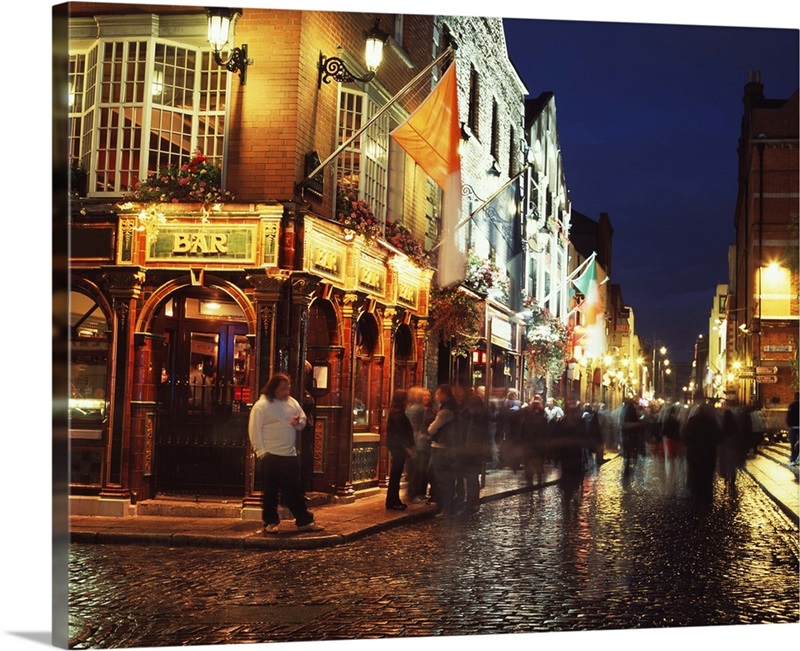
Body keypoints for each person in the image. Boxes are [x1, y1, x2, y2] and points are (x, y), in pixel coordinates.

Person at [248, 373, 324, 534]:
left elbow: (303, 420)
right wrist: (261, 452)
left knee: (294, 490)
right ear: (274, 388)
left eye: (288, 387)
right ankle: (270, 521)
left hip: (289, 454)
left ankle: (304, 520)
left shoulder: (292, 403)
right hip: (271, 454)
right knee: (270, 491)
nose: (286, 391)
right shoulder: (262, 406)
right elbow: (254, 430)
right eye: (283, 388)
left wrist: (298, 423)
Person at [427, 384, 460, 518]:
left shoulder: (446, 411)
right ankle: (447, 505)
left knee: (442, 478)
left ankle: (446, 507)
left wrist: (430, 427)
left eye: (438, 394)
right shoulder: (454, 408)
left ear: (444, 395)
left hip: (442, 448)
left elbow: (432, 429)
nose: (436, 396)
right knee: (447, 478)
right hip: (449, 447)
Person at [459, 387, 490, 515]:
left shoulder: (472, 418)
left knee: (470, 476)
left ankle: (471, 502)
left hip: (470, 449)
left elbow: (467, 433)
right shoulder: (481, 415)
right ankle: (473, 502)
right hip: (474, 449)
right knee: (472, 477)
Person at [385, 389, 415, 511]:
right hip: (399, 448)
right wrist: (407, 447)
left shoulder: (396, 412)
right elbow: (401, 433)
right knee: (395, 475)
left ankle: (393, 500)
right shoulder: (398, 414)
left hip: (397, 447)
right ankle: (393, 501)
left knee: (395, 475)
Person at [787, 392, 799, 466]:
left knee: (793, 443)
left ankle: (793, 459)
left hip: (793, 427)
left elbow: (789, 416)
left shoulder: (792, 406)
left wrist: (789, 424)